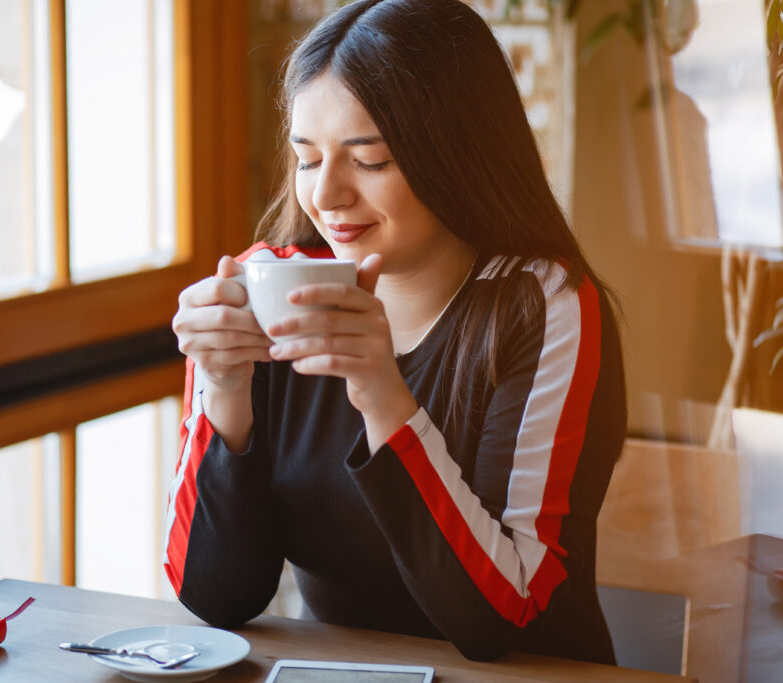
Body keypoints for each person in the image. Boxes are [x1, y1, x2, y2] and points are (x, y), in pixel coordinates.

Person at [165, 0, 626, 665]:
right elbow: (213, 595)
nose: (325, 196)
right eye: (307, 157)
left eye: (370, 160)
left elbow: (507, 615)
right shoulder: (263, 290)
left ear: (456, 154)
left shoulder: (539, 303)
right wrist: (225, 392)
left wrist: (383, 395)